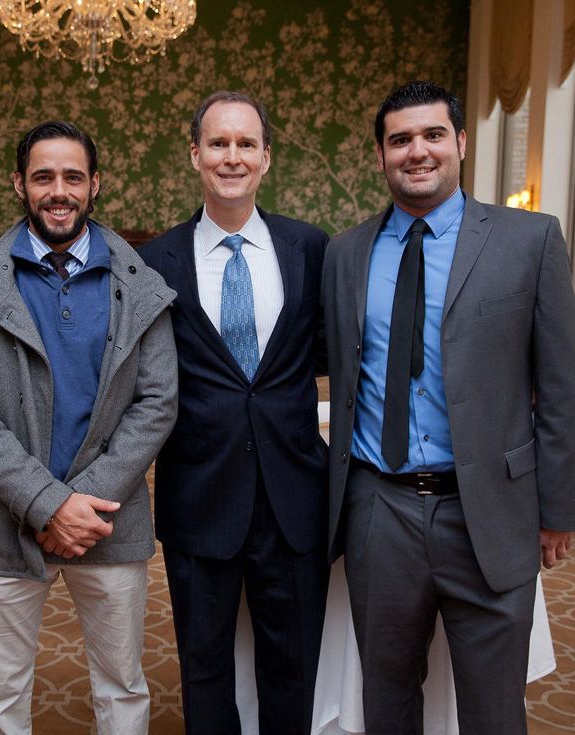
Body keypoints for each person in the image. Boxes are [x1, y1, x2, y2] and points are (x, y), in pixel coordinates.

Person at [322, 80, 575, 734]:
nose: (418, 150)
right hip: (377, 509)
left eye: (433, 134)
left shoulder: (529, 240)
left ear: (460, 143)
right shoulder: (346, 253)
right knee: (385, 693)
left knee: (494, 706)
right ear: (381, 155)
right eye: (400, 139)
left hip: (490, 513)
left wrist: (557, 509)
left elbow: (564, 385)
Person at [0, 120, 178, 735]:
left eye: (73, 176)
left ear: (95, 184)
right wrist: (48, 506)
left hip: (109, 516)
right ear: (20, 183)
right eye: (43, 176)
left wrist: (80, 507)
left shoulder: (141, 287)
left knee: (122, 688)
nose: (58, 190)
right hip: (1, 521)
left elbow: (157, 402)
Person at [140, 90, 331, 735]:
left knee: (293, 664)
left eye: (245, 143)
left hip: (294, 497)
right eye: (218, 143)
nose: (231, 156)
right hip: (200, 499)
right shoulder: (154, 262)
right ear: (194, 154)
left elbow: (343, 356)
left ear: (266, 158)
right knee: (204, 667)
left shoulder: (311, 248)